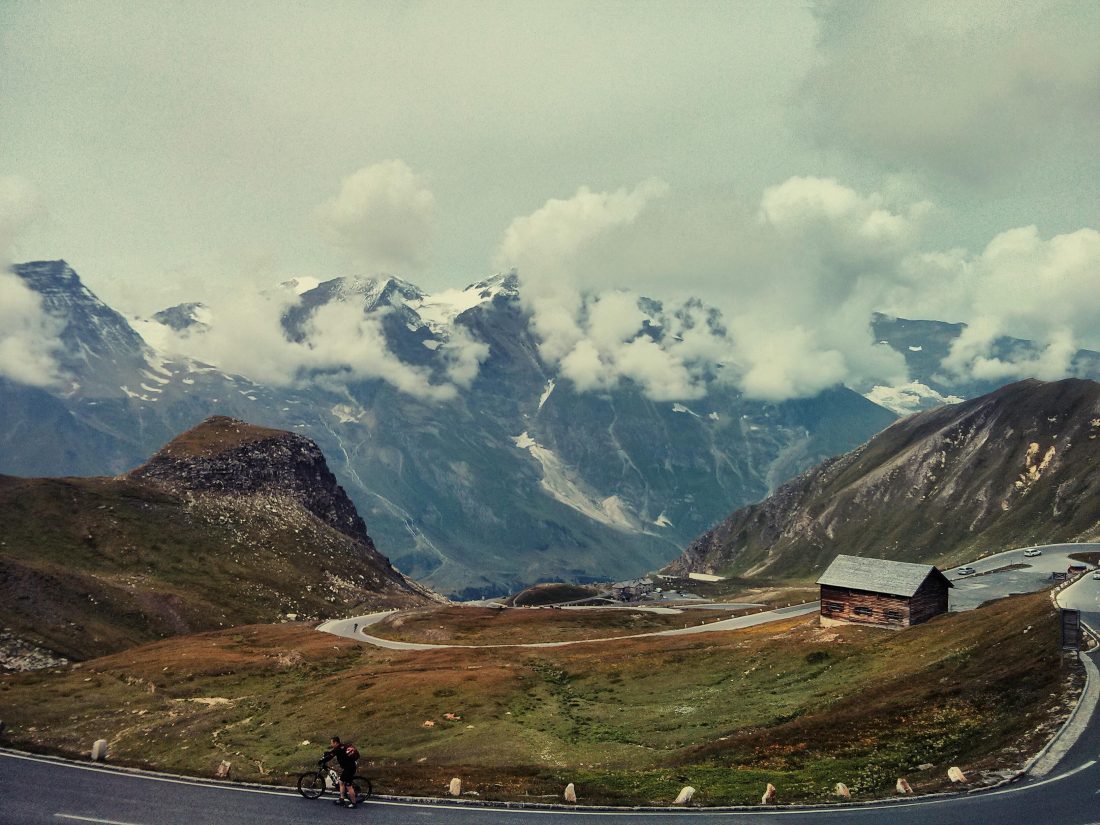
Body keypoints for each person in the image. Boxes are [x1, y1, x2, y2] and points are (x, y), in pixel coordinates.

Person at [321, 736, 359, 808]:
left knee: (348, 786)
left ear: (335, 742)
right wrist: (325, 753)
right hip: (349, 767)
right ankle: (342, 799)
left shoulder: (338, 749)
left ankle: (354, 804)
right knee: (341, 782)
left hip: (349, 769)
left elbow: (331, 756)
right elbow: (331, 753)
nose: (331, 744)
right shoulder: (341, 746)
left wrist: (322, 761)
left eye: (332, 743)